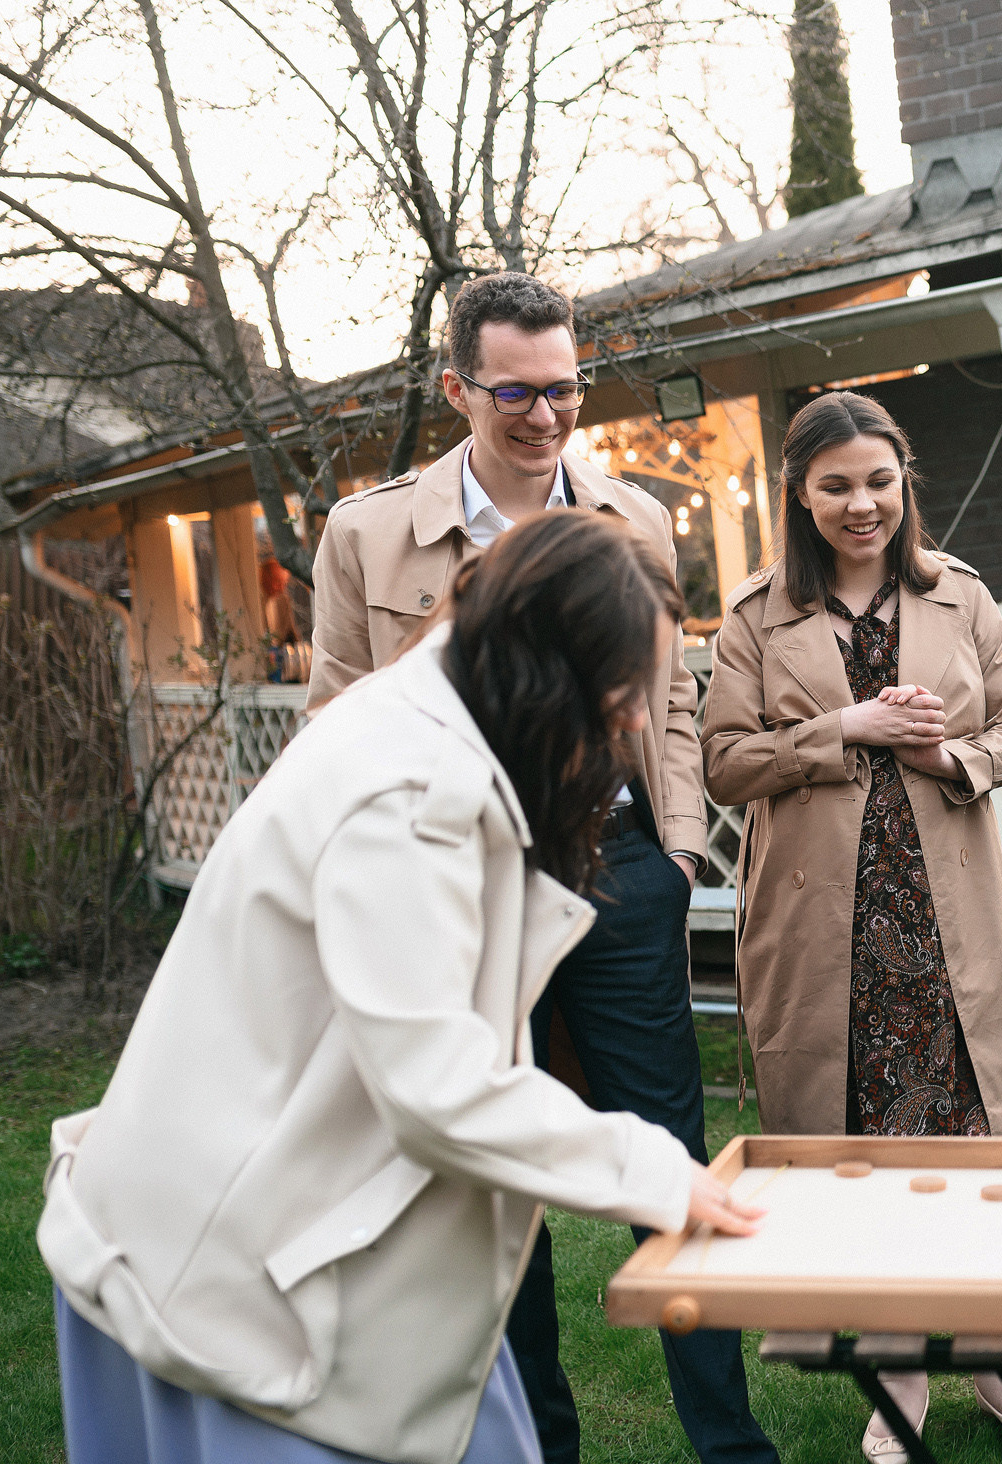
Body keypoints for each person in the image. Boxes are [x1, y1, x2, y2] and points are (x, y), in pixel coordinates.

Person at [40, 512, 766, 1464]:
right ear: (547, 669)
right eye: (624, 690)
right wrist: (653, 1169)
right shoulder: (410, 793)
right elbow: (437, 1086)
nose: (634, 722)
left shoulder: (420, 723)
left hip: (287, 1246)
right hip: (230, 1295)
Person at [306, 273, 773, 1464]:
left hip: (616, 871)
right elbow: (335, 721)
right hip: (456, 885)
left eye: (563, 388)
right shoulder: (367, 533)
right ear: (457, 386)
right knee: (490, 1170)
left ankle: (729, 1445)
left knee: (665, 1152)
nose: (544, 415)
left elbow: (672, 698)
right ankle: (536, 1448)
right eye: (514, 391)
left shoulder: (640, 520)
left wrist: (672, 851)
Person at [699, 390, 1002, 1461]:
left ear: (905, 482)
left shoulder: (961, 598)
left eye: (879, 481)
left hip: (945, 925)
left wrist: (954, 756)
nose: (862, 505)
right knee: (870, 1154)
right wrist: (841, 729)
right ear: (800, 496)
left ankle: (999, 1364)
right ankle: (899, 1372)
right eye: (836, 486)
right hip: (829, 937)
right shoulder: (757, 616)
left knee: (968, 1147)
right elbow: (722, 762)